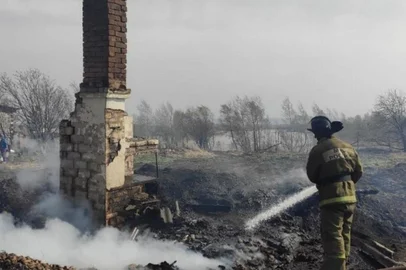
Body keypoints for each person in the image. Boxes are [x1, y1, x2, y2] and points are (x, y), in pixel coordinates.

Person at [306, 116, 363, 270]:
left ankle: (335, 267)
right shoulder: (347, 146)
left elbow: (312, 176)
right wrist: (346, 185)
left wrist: (330, 184)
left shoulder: (318, 150)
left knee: (332, 236)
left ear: (317, 133)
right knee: (345, 233)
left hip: (332, 200)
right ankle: (343, 265)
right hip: (350, 198)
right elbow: (358, 171)